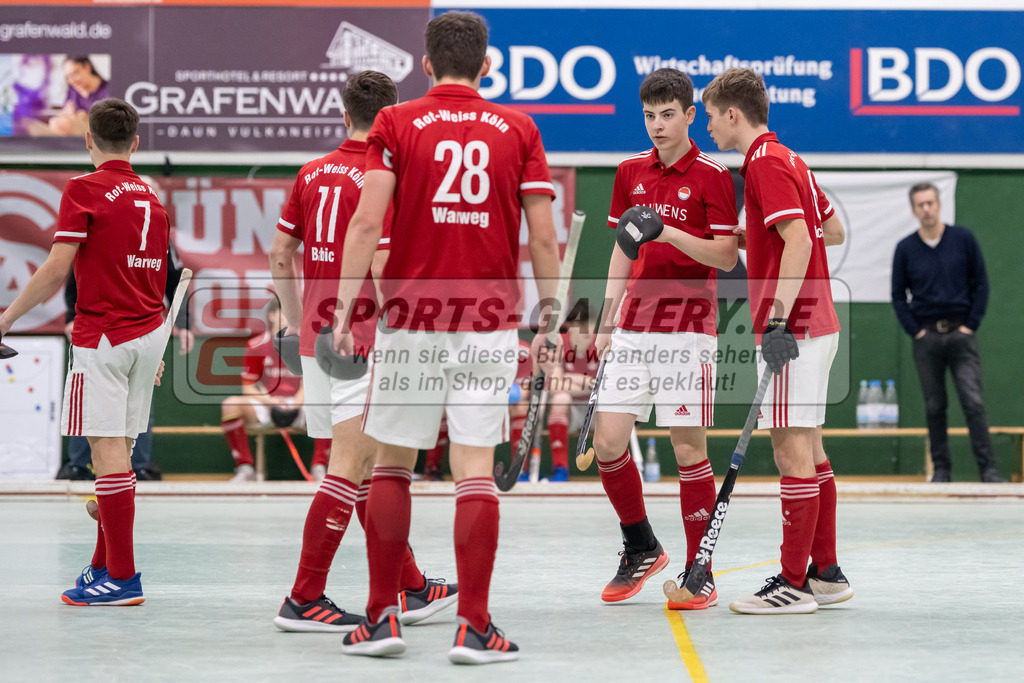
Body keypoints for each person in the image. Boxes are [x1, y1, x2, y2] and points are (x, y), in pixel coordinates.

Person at [333, 11, 562, 664]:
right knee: (473, 471)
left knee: (392, 464)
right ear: (487, 66)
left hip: (408, 321)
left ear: (426, 65)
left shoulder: (394, 124)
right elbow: (544, 237)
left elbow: (366, 222)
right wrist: (550, 316)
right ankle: (474, 626)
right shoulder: (519, 129)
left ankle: (380, 619)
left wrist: (346, 310)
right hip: (487, 325)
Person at [268, 70, 457, 633]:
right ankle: (304, 596)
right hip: (366, 337)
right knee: (351, 469)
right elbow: (380, 264)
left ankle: (412, 584)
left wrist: (297, 317)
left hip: (318, 338)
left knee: (365, 467)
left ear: (342, 113)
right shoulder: (384, 177)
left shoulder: (311, 173)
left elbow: (282, 255)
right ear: (391, 118)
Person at [0, 98, 168, 605]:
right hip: (145, 335)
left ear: (88, 140)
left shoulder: (84, 187)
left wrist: (6, 317)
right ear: (136, 144)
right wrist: (156, 345)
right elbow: (159, 276)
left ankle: (124, 576)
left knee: (107, 453)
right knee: (116, 454)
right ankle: (102, 564)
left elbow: (56, 268)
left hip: (104, 338)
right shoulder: (152, 197)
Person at [702, 67, 852, 614]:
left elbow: (797, 238)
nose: (710, 126)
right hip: (822, 323)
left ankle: (793, 584)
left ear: (734, 114)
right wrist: (756, 232)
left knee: (790, 450)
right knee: (810, 449)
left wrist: (779, 317)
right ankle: (827, 573)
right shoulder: (789, 158)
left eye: (713, 115)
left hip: (798, 326)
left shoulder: (761, 163)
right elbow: (828, 231)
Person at [591, 68, 739, 608]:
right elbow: (621, 250)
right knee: (608, 442)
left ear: (689, 114)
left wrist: (669, 230)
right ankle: (641, 547)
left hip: (689, 331)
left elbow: (726, 255)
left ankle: (700, 571)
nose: (657, 124)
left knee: (686, 448)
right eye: (649, 115)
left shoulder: (713, 174)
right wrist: (607, 323)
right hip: (631, 327)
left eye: (668, 114)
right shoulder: (629, 170)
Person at [58, 227, 194, 482]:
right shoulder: (104, 229)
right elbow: (79, 268)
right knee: (90, 395)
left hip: (141, 326)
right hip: (102, 324)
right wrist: (70, 315)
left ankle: (137, 466)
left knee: (139, 396)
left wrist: (184, 322)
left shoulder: (159, 234)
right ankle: (79, 465)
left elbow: (175, 279)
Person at [891, 182, 1003, 483]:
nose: (926, 209)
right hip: (926, 338)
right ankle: (941, 471)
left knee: (972, 402)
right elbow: (898, 296)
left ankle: (988, 471)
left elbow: (981, 284)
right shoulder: (905, 249)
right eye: (920, 205)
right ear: (914, 210)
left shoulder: (963, 240)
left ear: (939, 204)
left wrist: (970, 326)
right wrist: (916, 332)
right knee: (934, 405)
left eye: (930, 203)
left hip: (961, 335)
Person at [219, 297, 331, 483]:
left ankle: (319, 467)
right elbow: (247, 388)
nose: (290, 318)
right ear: (271, 315)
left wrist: (296, 403)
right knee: (230, 405)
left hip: (300, 404)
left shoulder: (306, 345)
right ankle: (245, 469)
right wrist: (270, 401)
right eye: (285, 312)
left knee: (327, 403)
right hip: (267, 404)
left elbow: (311, 384)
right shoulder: (256, 346)